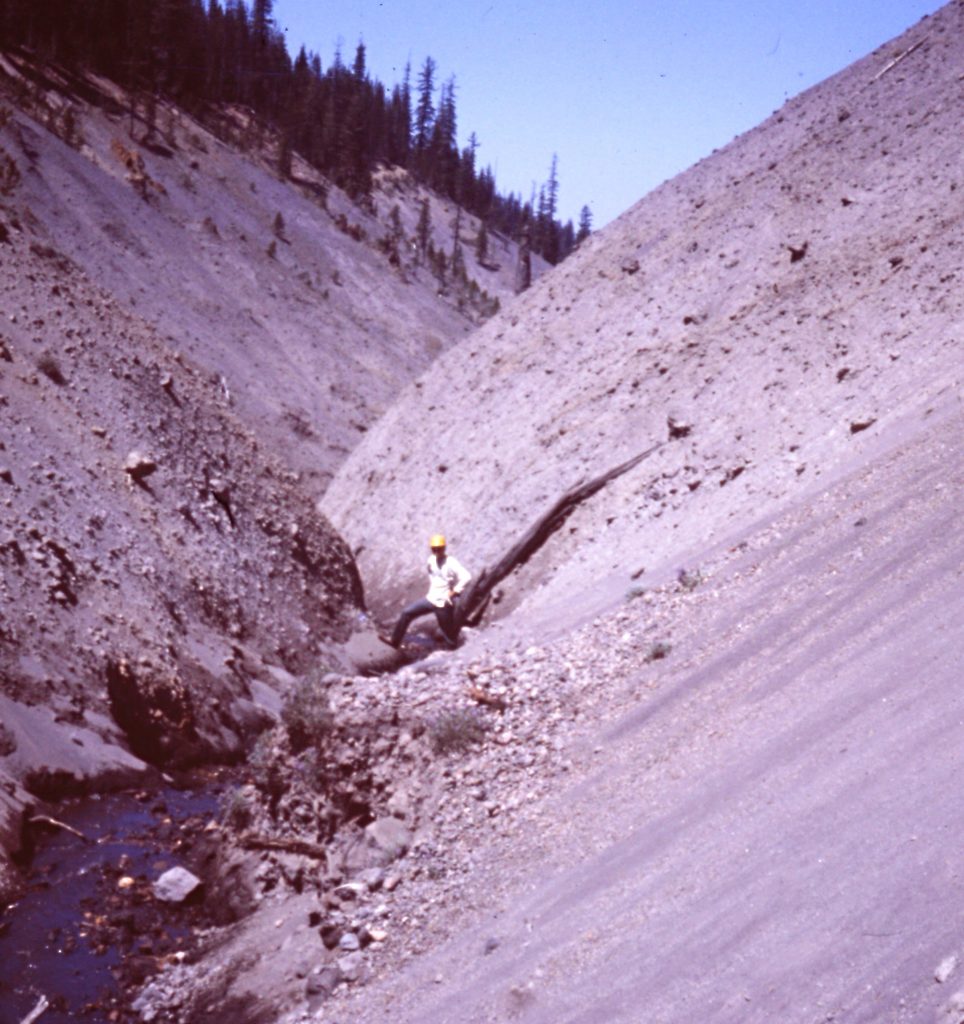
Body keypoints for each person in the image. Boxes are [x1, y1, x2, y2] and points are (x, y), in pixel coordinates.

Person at [381, 534, 471, 649]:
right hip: (430, 598)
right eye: (434, 549)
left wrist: (454, 592)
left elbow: (466, 576)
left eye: (439, 548)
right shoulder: (431, 560)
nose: (437, 551)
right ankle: (395, 641)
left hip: (443, 603)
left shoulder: (451, 562)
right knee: (406, 613)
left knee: (448, 634)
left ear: (444, 548)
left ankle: (454, 654)